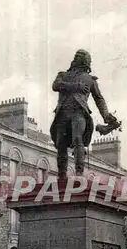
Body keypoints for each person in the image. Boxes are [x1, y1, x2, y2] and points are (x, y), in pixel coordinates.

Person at [50, 49, 117, 179]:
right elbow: (55, 86)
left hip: (78, 114)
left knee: (78, 140)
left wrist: (106, 116)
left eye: (79, 56)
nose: (76, 58)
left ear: (84, 61)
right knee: (61, 143)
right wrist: (75, 86)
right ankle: (62, 175)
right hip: (62, 113)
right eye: (75, 56)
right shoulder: (62, 75)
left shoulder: (90, 80)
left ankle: (79, 174)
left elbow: (99, 99)